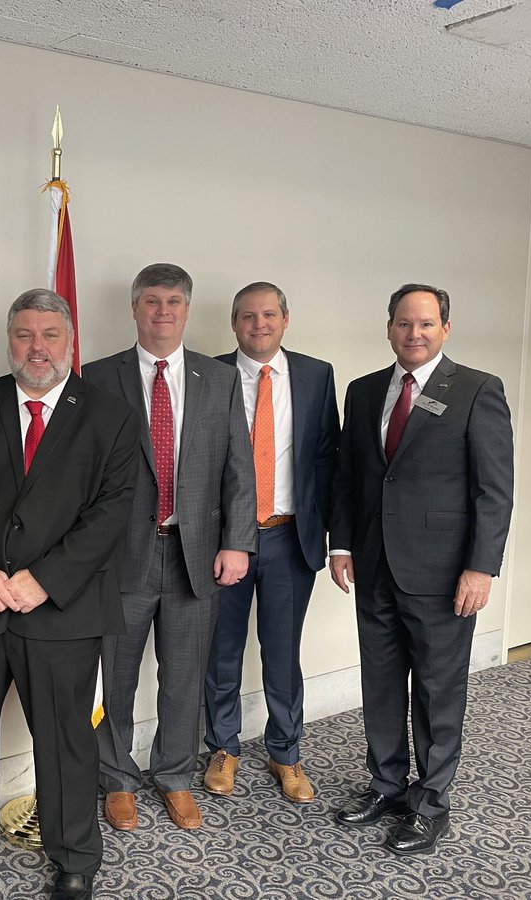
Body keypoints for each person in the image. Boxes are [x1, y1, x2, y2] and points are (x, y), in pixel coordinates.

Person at [0, 289, 140, 900]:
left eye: (49, 336)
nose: (36, 348)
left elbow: (112, 514)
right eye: (23, 335)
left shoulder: (111, 415)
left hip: (62, 609)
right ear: (9, 338)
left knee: (66, 738)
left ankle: (74, 854)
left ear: (69, 340)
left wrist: (44, 580)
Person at [329, 283, 513, 855]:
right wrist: (341, 546)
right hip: (374, 563)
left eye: (426, 325)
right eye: (404, 324)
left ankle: (431, 804)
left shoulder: (478, 390)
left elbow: (493, 491)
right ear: (389, 327)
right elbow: (349, 476)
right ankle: (387, 786)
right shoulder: (362, 392)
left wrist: (480, 568)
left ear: (445, 329)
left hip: (443, 573)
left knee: (436, 690)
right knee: (381, 683)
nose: (414, 334)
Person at [84, 262, 255, 833]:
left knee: (184, 675)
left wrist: (237, 544)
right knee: (117, 675)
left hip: (195, 554)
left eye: (173, 302)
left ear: (187, 310)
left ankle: (176, 776)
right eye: (151, 301)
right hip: (121, 558)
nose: (162, 312)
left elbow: (239, 471)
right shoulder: (96, 378)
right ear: (134, 309)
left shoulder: (219, 379)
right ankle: (117, 779)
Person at [203, 282, 339, 802]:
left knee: (282, 653)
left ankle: (286, 753)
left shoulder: (315, 375)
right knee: (223, 651)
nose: (258, 324)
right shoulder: (209, 375)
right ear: (234, 324)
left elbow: (328, 460)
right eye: (247, 316)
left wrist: (335, 536)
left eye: (268, 315)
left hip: (288, 538)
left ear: (285, 319)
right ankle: (223, 747)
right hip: (225, 541)